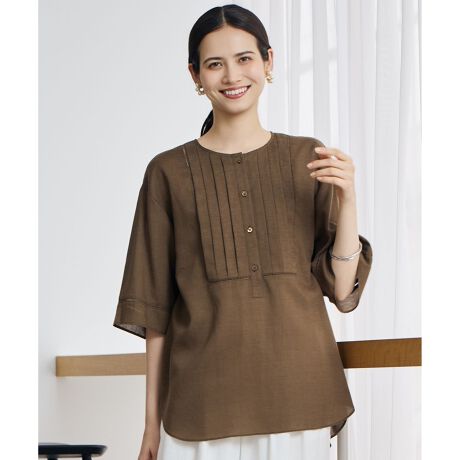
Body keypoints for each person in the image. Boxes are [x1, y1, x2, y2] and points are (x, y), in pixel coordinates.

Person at [113, 4, 373, 460]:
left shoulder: (307, 158)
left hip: (301, 396)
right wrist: (150, 427)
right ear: (195, 75)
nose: (232, 75)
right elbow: (154, 312)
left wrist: (348, 199)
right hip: (201, 407)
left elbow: (341, 288)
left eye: (244, 58)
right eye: (215, 63)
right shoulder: (167, 173)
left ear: (268, 61)